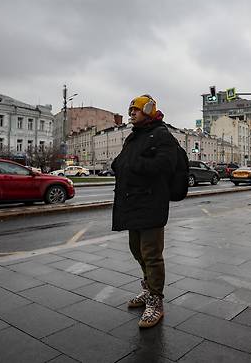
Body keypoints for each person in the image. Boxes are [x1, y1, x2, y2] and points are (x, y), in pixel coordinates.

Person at [111, 94, 177, 328]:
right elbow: (123, 161)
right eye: (130, 110)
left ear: (148, 110)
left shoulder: (161, 134)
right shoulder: (134, 136)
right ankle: (148, 289)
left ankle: (156, 301)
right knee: (136, 250)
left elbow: (167, 165)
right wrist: (118, 165)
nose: (131, 114)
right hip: (132, 202)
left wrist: (134, 165)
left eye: (135, 110)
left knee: (151, 253)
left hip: (151, 203)